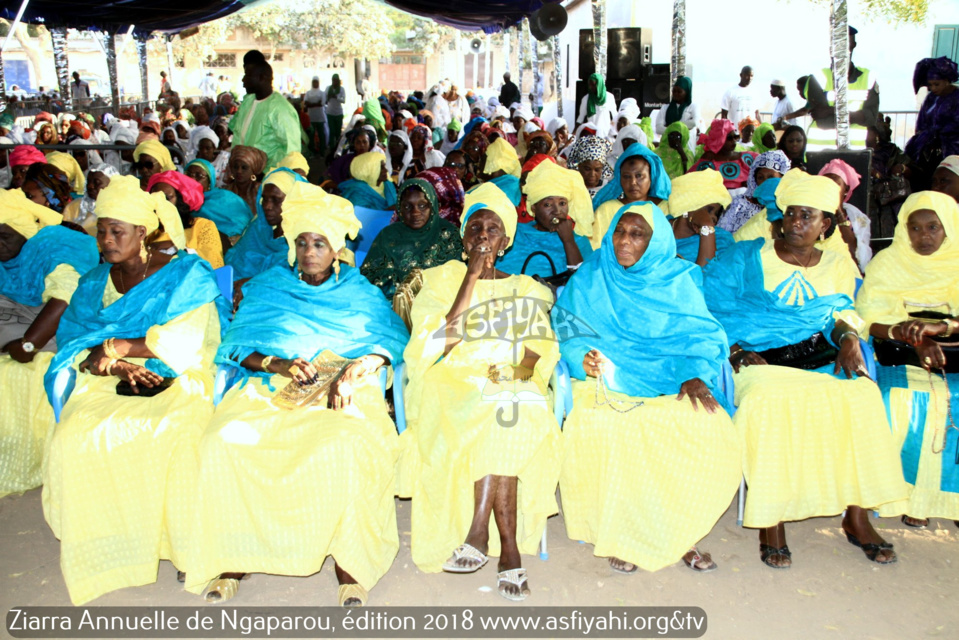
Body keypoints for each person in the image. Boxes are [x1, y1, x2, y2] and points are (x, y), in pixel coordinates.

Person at [186, 181, 408, 607]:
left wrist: (360, 366)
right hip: (269, 388)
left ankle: (350, 566)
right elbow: (235, 344)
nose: (309, 252)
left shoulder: (359, 293)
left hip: (344, 386)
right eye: (302, 242)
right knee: (222, 441)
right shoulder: (270, 286)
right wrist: (278, 363)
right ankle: (232, 559)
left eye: (320, 243)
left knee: (345, 446)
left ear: (338, 248)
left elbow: (390, 340)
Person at [702, 171, 908, 570]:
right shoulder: (748, 256)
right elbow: (710, 310)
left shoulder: (835, 262)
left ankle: (857, 516)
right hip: (759, 358)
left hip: (817, 355)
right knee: (768, 402)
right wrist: (734, 349)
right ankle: (772, 520)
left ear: (825, 224)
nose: (795, 222)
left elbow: (843, 310)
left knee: (862, 396)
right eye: (791, 213)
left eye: (807, 216)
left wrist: (848, 337)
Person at [41, 175, 229, 605]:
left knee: (176, 432)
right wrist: (111, 362)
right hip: (110, 375)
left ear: (142, 233)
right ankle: (107, 543)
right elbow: (74, 341)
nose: (105, 240)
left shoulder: (184, 272)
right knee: (75, 437)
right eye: (101, 231)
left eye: (116, 232)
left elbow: (188, 338)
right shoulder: (93, 283)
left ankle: (184, 546)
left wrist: (122, 346)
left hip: (180, 368)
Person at [555, 201, 741, 575]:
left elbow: (703, 338)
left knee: (702, 423)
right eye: (620, 232)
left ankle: (679, 530)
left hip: (671, 375)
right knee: (608, 424)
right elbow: (565, 330)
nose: (624, 241)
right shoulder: (591, 277)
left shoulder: (678, 280)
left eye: (637, 234)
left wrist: (695, 373)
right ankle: (623, 531)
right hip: (607, 377)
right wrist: (582, 358)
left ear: (655, 242)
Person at [400, 182, 560, 601]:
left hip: (510, 378)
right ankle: (508, 550)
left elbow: (537, 347)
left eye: (493, 229)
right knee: (494, 406)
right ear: (463, 236)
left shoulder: (525, 287)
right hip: (452, 378)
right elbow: (440, 342)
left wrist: (519, 372)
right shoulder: (439, 279)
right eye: (475, 226)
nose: (483, 235)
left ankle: (482, 538)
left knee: (507, 407)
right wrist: (470, 275)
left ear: (505, 242)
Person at [855, 190, 959, 529]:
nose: (923, 237)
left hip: (953, 350)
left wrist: (940, 327)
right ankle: (911, 497)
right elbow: (869, 318)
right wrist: (913, 338)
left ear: (949, 228)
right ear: (904, 228)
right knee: (900, 401)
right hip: (901, 351)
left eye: (933, 228)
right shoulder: (888, 262)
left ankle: (953, 499)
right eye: (915, 228)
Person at [0, 190, 99, 499]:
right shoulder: (10, 258)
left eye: (4, 235)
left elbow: (64, 298)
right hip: (20, 315)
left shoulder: (53, 247)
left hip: (65, 323)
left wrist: (29, 345)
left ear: (24, 231)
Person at [361, 178, 463, 300]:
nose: (415, 212)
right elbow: (370, 276)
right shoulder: (388, 235)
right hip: (395, 304)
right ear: (399, 209)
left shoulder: (449, 234)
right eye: (407, 207)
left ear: (433, 206)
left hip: (441, 305)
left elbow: (459, 277)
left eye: (422, 206)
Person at [496, 160, 594, 278]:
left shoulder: (578, 240)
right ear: (533, 209)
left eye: (562, 203)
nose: (557, 211)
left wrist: (568, 241)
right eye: (547, 205)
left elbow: (584, 281)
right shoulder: (516, 235)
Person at [790, 27, 880, 149]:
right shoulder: (818, 78)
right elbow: (823, 122)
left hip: (854, 153)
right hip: (820, 152)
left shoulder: (868, 78)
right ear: (831, 49)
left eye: (847, 44)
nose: (843, 49)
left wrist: (829, 111)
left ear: (853, 45)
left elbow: (871, 118)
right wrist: (857, 117)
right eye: (839, 44)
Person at [226, 168, 308, 290]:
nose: (267, 206)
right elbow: (235, 261)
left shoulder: (304, 238)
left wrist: (254, 283)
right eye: (264, 199)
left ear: (293, 201)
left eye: (276, 200)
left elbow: (293, 281)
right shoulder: (258, 229)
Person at [591, 143, 671, 249]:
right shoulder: (607, 210)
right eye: (627, 177)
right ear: (620, 179)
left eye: (639, 176)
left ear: (651, 177)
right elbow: (596, 249)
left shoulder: (665, 208)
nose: (633, 182)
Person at [229, 59, 301, 169]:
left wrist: (266, 171)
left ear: (262, 78)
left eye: (248, 76)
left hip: (267, 176)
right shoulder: (248, 102)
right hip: (242, 173)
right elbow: (237, 132)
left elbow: (291, 152)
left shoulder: (281, 109)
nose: (243, 80)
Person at [147, 171, 227, 268]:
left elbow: (212, 265)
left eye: (167, 198)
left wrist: (174, 246)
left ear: (181, 199)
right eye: (154, 199)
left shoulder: (203, 226)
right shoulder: (147, 231)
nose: (160, 204)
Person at [904, 57, 959, 190]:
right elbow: (922, 121)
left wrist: (942, 132)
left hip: (951, 149)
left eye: (936, 84)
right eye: (930, 85)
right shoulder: (931, 98)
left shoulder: (957, 97)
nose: (933, 88)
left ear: (946, 81)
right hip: (926, 149)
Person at [668, 170, 734, 266]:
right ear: (689, 206)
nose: (713, 217)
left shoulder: (721, 238)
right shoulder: (657, 226)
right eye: (709, 210)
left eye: (716, 214)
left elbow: (708, 275)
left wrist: (706, 228)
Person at [818, 159, 873, 271]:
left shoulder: (857, 218)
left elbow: (860, 260)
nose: (830, 188)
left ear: (846, 190)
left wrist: (839, 215)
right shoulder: (814, 214)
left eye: (835, 184)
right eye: (826, 184)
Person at [720, 150, 791, 233]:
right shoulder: (739, 203)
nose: (765, 182)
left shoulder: (787, 206)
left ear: (782, 179)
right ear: (754, 180)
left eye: (771, 177)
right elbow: (722, 233)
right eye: (760, 178)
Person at [185, 159, 252, 243]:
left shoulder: (224, 197)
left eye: (199, 176)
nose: (192, 179)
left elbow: (242, 222)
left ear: (209, 182)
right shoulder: (180, 201)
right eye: (188, 174)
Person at [690, 120, 758, 194]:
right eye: (729, 138)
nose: (734, 141)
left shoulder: (748, 157)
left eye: (736, 137)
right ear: (719, 139)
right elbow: (691, 181)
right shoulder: (708, 160)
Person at [66, 162, 117, 235]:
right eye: (88, 181)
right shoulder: (74, 207)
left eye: (97, 182)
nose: (90, 186)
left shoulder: (120, 209)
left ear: (112, 185)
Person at [654, 76, 701, 144]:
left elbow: (694, 123)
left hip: (687, 145)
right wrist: (685, 128)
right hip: (667, 145)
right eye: (674, 91)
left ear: (687, 92)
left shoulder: (693, 106)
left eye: (679, 91)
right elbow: (658, 129)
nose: (676, 94)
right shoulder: (665, 107)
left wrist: (670, 127)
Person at [224, 145, 268, 214]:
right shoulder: (225, 191)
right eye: (236, 167)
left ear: (253, 170)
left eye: (244, 167)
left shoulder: (261, 191)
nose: (239, 171)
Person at [482, 137, 522, 206]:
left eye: (484, 159)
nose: (480, 165)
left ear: (495, 165)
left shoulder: (501, 190)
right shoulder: (513, 184)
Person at [577, 73, 617, 140]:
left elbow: (615, 116)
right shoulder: (586, 99)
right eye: (589, 85)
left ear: (599, 84)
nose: (590, 87)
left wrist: (616, 133)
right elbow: (580, 119)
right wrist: (574, 134)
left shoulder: (609, 97)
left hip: (606, 135)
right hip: (591, 135)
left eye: (593, 85)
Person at [303, 76, 328, 155]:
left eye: (316, 81)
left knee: (321, 135)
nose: (315, 83)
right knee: (311, 135)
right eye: (314, 81)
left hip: (320, 117)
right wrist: (316, 104)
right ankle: (312, 152)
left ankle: (322, 151)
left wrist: (311, 104)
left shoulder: (322, 93)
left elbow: (322, 104)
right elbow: (306, 103)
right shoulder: (308, 93)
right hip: (311, 118)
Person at [325, 74, 348, 156]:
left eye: (336, 80)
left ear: (338, 81)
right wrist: (328, 97)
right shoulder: (328, 88)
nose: (334, 82)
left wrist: (336, 97)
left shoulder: (341, 89)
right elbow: (325, 99)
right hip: (330, 112)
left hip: (338, 113)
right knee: (332, 131)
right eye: (333, 80)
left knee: (338, 132)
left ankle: (338, 148)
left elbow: (343, 100)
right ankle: (332, 148)